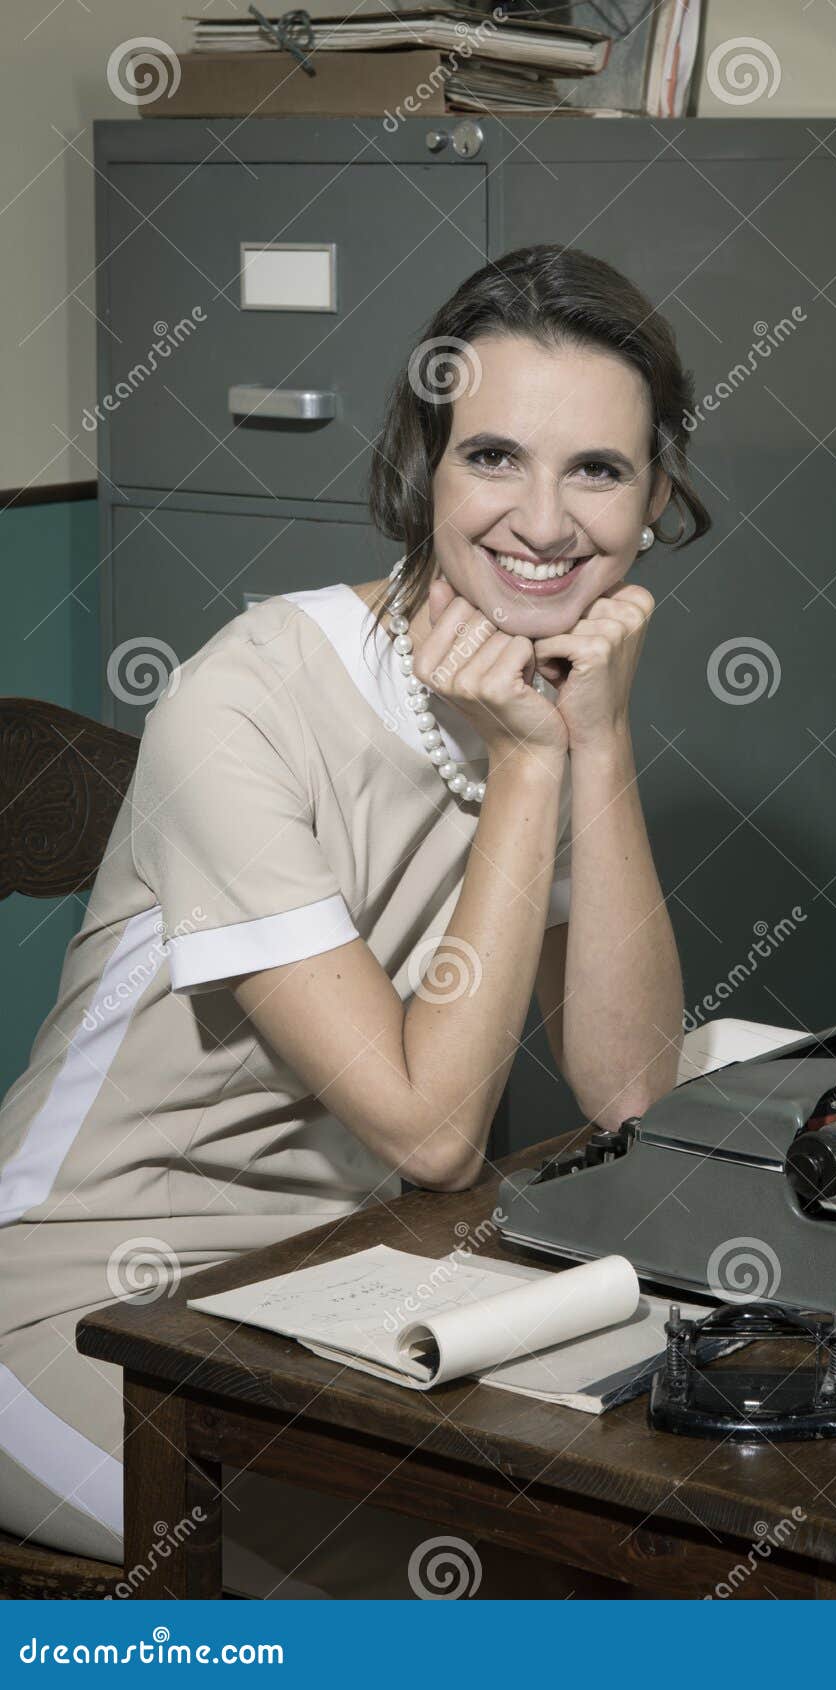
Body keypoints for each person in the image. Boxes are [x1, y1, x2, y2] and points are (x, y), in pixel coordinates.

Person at [0, 243, 711, 1597]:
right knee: (437, 1598)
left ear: (654, 497)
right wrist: (528, 759)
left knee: (607, 1552)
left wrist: (596, 741)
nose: (545, 523)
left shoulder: (548, 699)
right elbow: (432, 1128)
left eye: (598, 470)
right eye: (492, 455)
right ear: (421, 469)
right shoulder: (245, 697)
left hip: (332, 1289)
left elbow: (627, 1092)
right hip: (69, 1307)